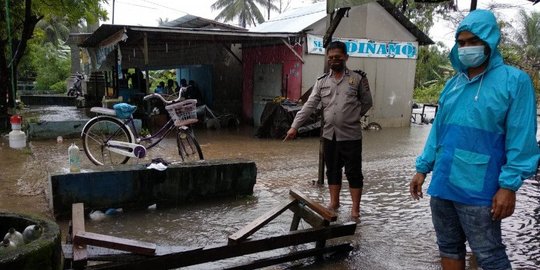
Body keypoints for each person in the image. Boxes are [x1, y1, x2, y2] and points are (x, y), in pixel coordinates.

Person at [409, 10, 539, 270]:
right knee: (448, 247)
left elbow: (521, 140)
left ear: (489, 42)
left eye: (473, 42)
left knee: (489, 254)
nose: (466, 48)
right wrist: (422, 168)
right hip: (443, 183)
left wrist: (509, 186)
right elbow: (438, 131)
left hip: (481, 189)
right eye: (461, 43)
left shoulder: (515, 82)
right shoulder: (453, 84)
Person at [283, 41, 373, 219]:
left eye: (338, 57)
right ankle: (334, 202)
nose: (334, 60)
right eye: (331, 57)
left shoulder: (357, 79)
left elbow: (367, 102)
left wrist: (352, 116)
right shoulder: (321, 82)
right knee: (332, 170)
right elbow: (309, 106)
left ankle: (355, 209)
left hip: (351, 136)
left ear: (345, 57)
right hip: (329, 135)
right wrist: (294, 127)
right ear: (327, 58)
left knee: (354, 172)